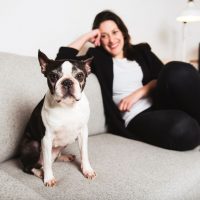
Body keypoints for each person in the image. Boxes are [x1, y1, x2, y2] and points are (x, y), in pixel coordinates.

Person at [56, 10, 200, 151]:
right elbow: (61, 62)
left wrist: (140, 92)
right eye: (104, 36)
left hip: (160, 103)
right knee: (184, 128)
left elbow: (165, 77)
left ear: (123, 32)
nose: (111, 40)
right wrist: (89, 35)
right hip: (137, 117)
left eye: (114, 32)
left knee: (178, 70)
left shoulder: (141, 52)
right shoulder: (97, 59)